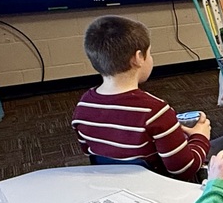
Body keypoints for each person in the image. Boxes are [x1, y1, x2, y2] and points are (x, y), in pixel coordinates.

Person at [71, 15, 210, 181]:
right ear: (138, 58)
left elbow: (91, 151)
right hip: (159, 190)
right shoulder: (156, 111)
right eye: (150, 54)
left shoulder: (83, 107)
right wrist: (200, 136)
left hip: (113, 187)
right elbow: (184, 169)